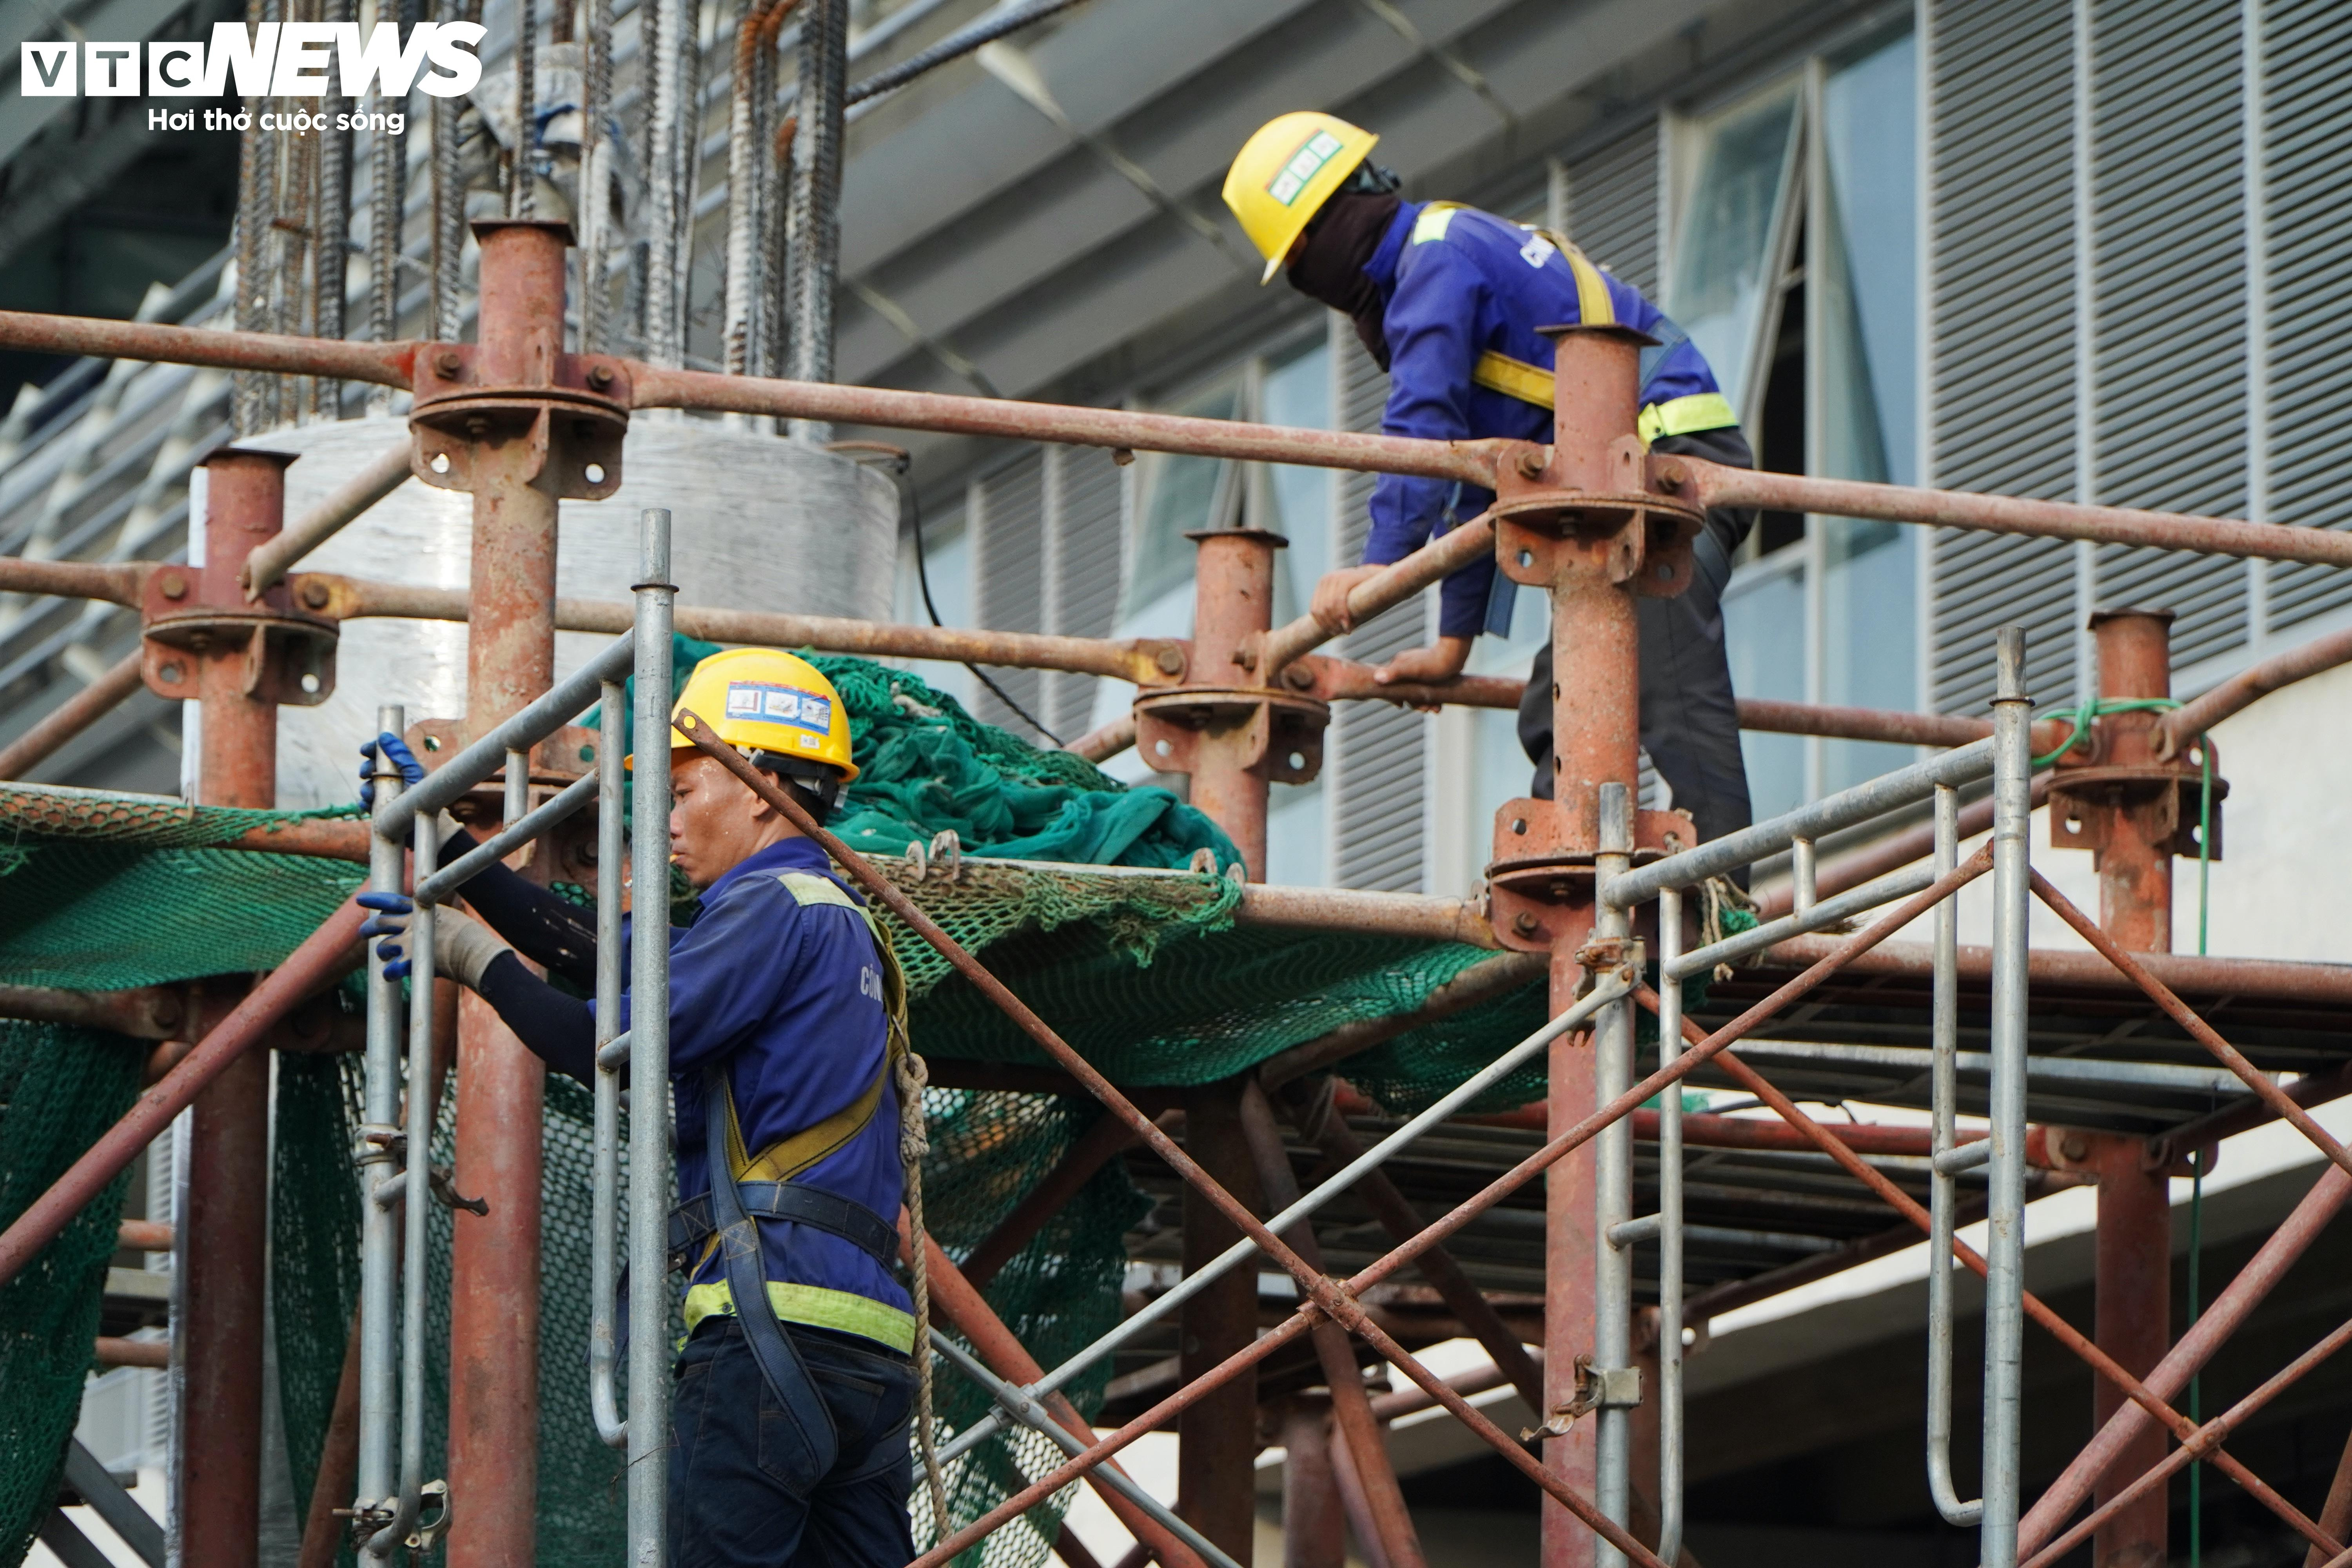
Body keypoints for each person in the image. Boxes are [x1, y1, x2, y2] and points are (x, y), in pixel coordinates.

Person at [359, 648, 921, 1568]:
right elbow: (603, 951)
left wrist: (472, 959)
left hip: (766, 1336)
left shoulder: (771, 907)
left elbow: (600, 1041)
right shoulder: (832, 917)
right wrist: (456, 854)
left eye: (686, 789)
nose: (666, 821)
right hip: (864, 1356)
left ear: (762, 789)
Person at [1221, 112, 1757, 848]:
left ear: (1325, 231)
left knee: (1669, 671)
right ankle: (1572, 895)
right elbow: (1483, 477)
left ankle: (1725, 897)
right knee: (1555, 705)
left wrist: (1381, 568)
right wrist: (1454, 642)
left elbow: (1423, 430)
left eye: (1301, 255)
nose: (1310, 277)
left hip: (1675, 472)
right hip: (1638, 483)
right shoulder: (1438, 255)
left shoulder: (1435, 267)